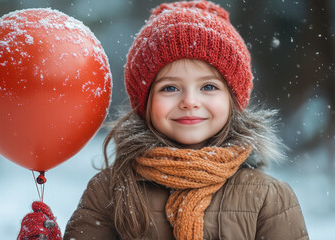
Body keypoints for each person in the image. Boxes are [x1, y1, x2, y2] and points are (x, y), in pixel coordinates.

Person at [18, 1, 309, 239]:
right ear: (144, 103)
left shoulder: (268, 197)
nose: (189, 101)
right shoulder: (110, 190)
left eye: (208, 87)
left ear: (233, 101)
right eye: (170, 88)